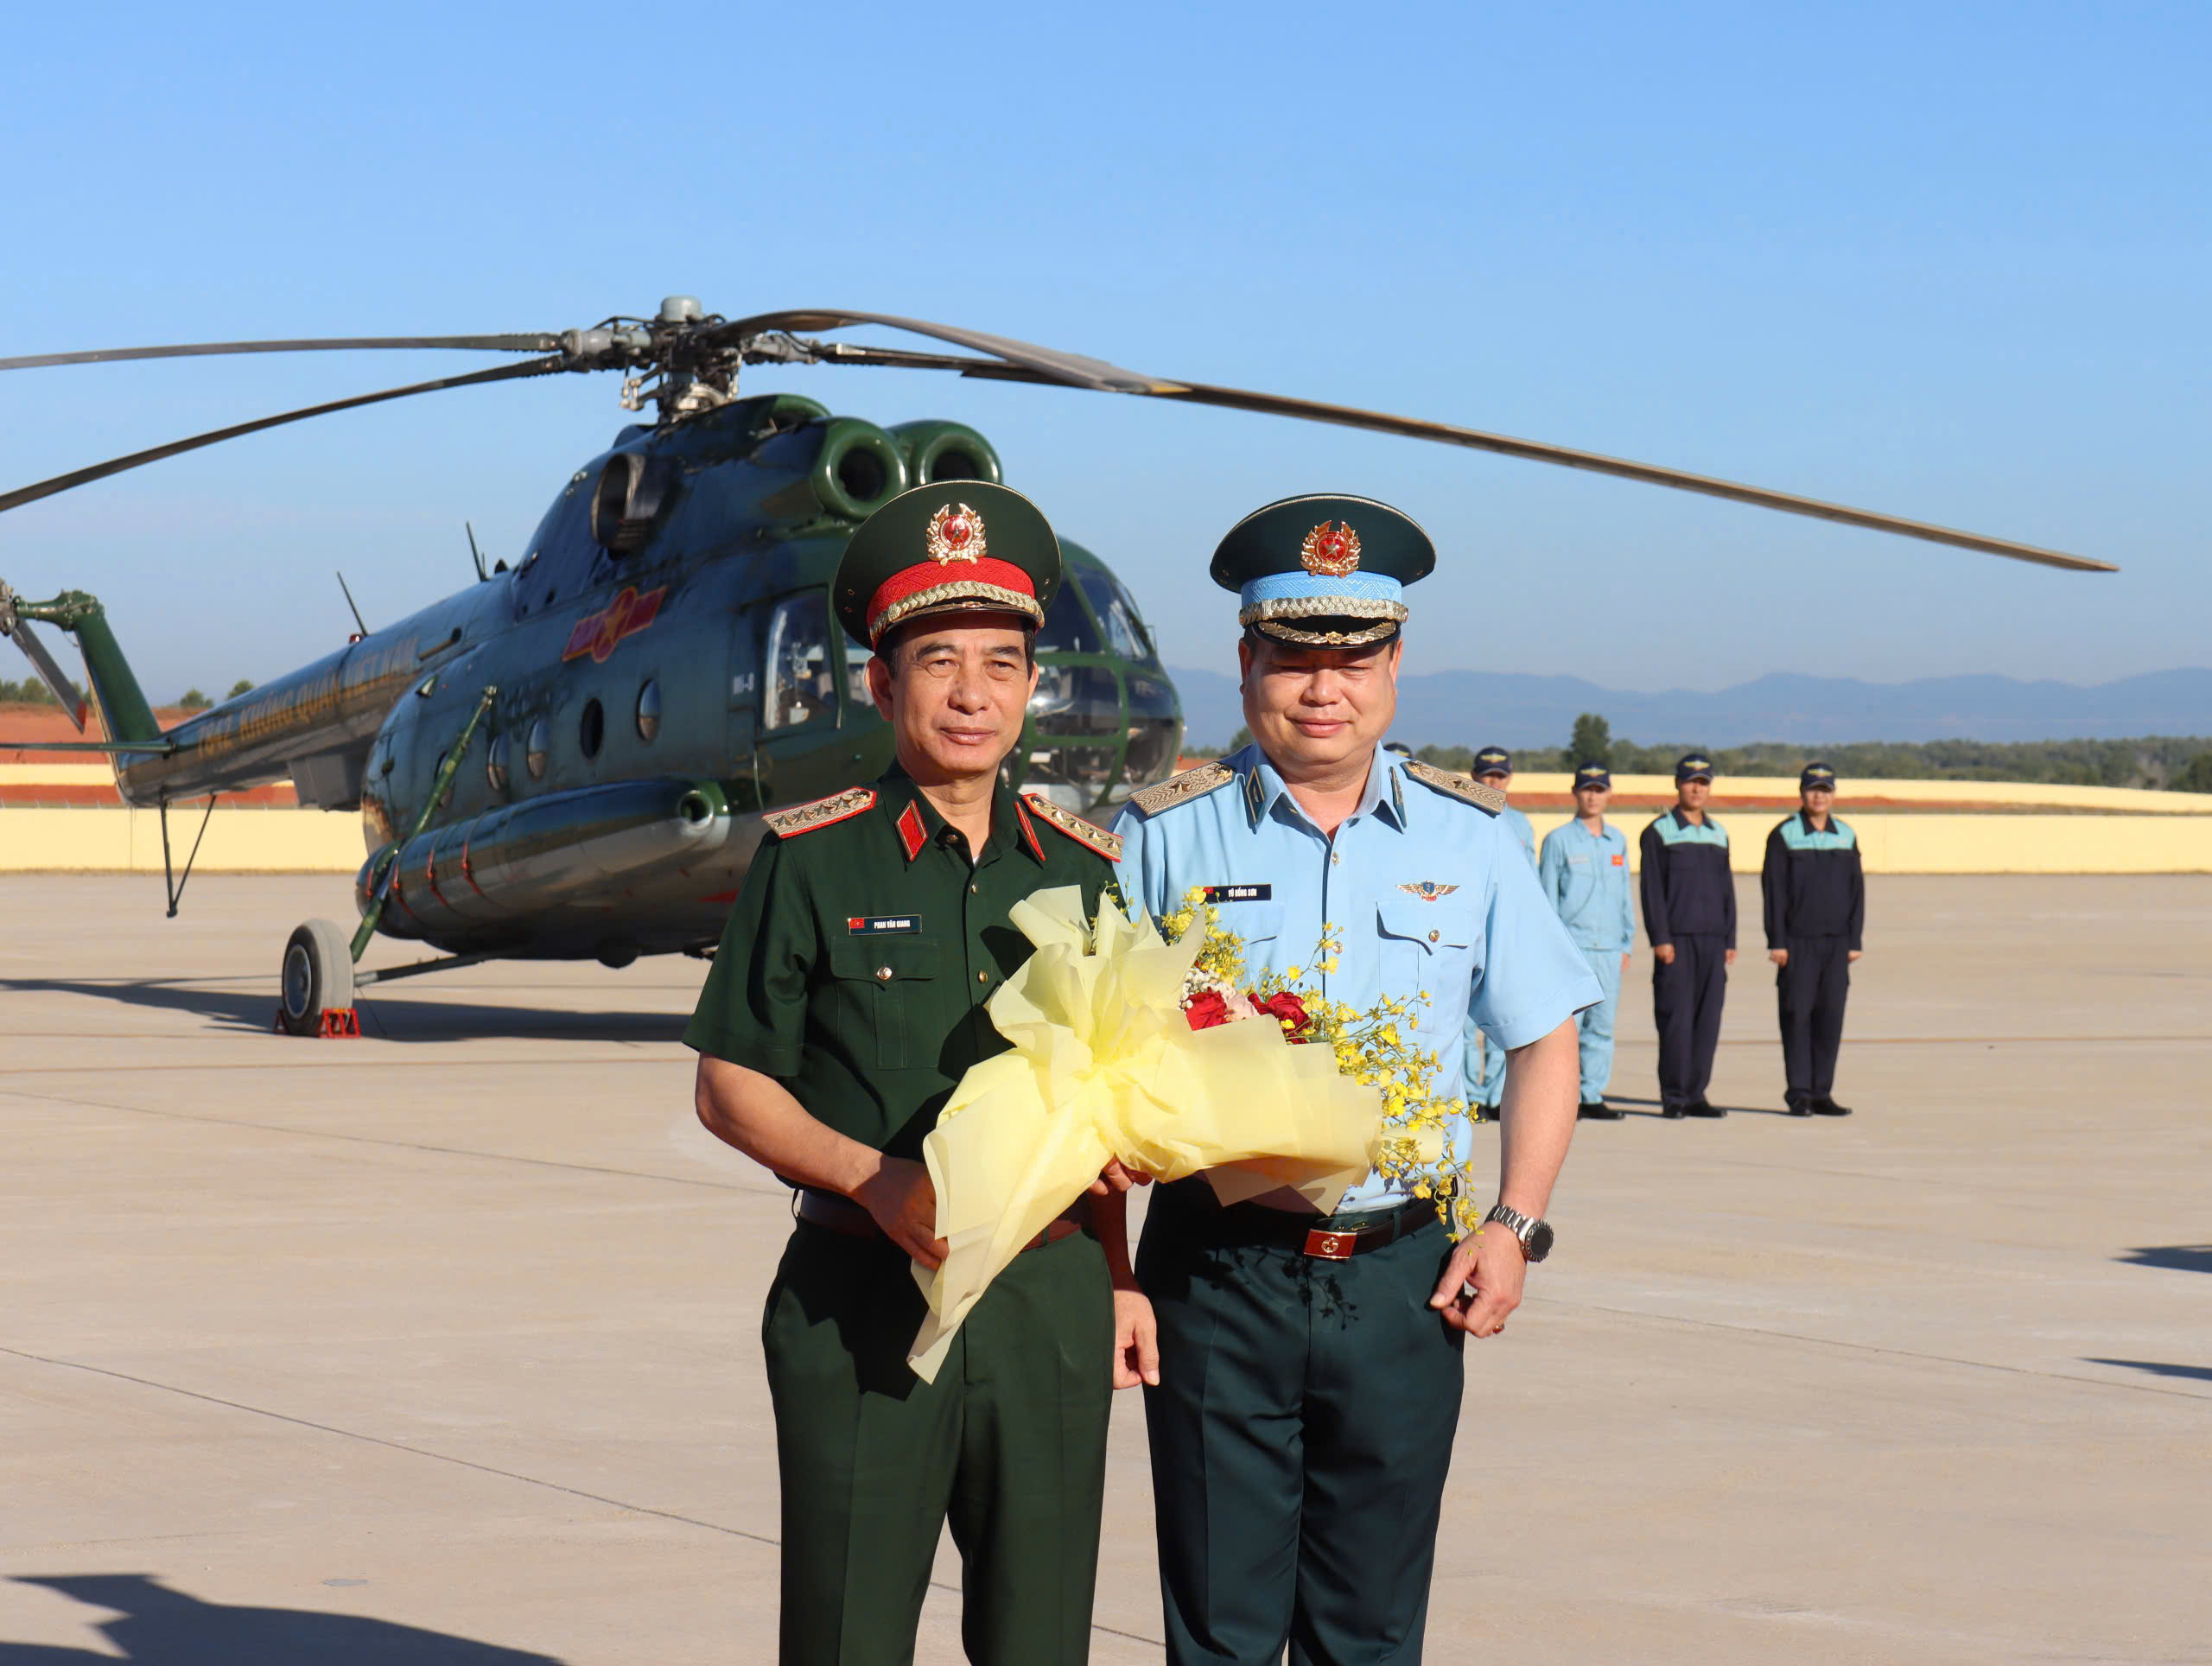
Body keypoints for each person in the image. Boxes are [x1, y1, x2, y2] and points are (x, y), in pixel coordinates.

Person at [1114, 494, 1599, 1666]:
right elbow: (1094, 1069)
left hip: (1404, 1285)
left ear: (1394, 666)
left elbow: (1545, 1037)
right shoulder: (1164, 836)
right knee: (1220, 1628)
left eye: (1352, 658)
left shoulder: (1473, 839)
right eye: (1293, 658)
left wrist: (1516, 1223)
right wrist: (1111, 1269)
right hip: (1218, 1275)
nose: (1323, 688)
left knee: (1369, 1629)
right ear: (1246, 665)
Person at [683, 481, 1147, 1665]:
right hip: (860, 1299)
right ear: (883, 685)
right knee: (848, 1635)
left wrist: (1120, 1277)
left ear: (1032, 685)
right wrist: (875, 1180)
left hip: (1047, 1305)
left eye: (1002, 662)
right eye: (939, 662)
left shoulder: (1087, 872)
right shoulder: (812, 860)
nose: (973, 693)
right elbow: (730, 1082)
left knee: (1042, 1638)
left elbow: (1099, 1097)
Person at [1762, 761, 1865, 1116]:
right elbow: (1773, 892)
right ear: (1802, 793)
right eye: (1812, 789)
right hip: (1797, 942)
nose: (1818, 796)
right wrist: (1777, 941)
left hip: (1836, 944)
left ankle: (1822, 1092)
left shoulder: (1846, 835)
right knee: (1797, 1015)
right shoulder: (1784, 835)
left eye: (1825, 789)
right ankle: (1799, 1093)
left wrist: (1855, 939)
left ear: (1833, 794)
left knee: (1830, 1017)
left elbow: (1856, 892)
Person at [1640, 753, 1735, 1118]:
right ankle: (1675, 1096)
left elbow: (1727, 890)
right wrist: (1660, 938)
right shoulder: (1658, 832)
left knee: (1707, 1020)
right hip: (1676, 942)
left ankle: (1697, 1094)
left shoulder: (1717, 833)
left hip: (1713, 941)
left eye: (1704, 782)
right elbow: (1652, 891)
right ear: (1678, 785)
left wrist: (1730, 939)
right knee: (1676, 1019)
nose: (1697, 788)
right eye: (1690, 781)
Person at [1538, 761, 1636, 1118]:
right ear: (1575, 793)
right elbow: (1546, 899)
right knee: (1567, 1031)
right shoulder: (1559, 841)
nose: (1593, 796)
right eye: (1587, 788)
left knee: (1602, 1027)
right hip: (1571, 950)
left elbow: (1625, 893)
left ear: (1609, 794)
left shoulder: (1618, 841)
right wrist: (1550, 951)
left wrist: (1627, 941)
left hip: (1609, 948)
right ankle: (1564, 1099)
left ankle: (1592, 1095)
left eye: (1600, 788)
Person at [1468, 744, 1536, 1116]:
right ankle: (1470, 1095)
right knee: (1463, 1028)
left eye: (1500, 775)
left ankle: (1494, 1096)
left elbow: (1534, 884)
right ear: (1474, 776)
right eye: (1486, 774)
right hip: (1470, 931)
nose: (1493, 781)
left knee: (1504, 1019)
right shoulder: (1458, 818)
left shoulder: (1521, 825)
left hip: (1509, 936)